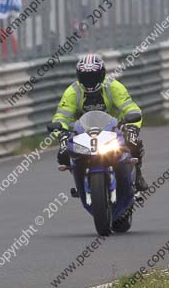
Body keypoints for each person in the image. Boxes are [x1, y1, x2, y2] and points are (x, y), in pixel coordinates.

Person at [51, 54, 148, 191]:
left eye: (93, 77)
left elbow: (131, 109)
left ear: (102, 75)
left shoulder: (114, 87)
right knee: (63, 154)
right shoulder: (72, 92)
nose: (90, 81)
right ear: (79, 77)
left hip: (114, 130)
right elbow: (61, 117)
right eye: (85, 77)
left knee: (133, 142)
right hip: (83, 134)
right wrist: (62, 134)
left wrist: (131, 127)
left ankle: (137, 174)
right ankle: (80, 179)